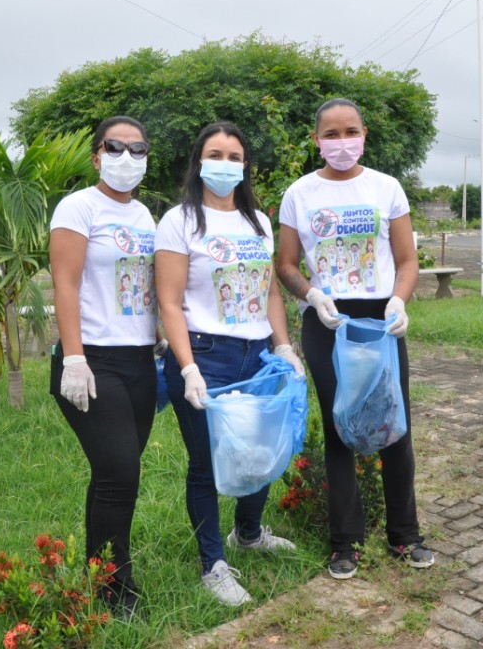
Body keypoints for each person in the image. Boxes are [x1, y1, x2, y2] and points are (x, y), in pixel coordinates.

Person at [276, 98, 434, 580]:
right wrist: (311, 293)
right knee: (340, 425)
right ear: (316, 140)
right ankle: (345, 542)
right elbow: (285, 264)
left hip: (380, 319)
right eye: (331, 134)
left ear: (364, 133)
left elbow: (407, 261)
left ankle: (405, 534)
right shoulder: (298, 194)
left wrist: (400, 300)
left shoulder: (386, 187)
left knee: (393, 420)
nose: (341, 142)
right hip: (328, 320)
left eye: (350, 132)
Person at [155, 122, 304, 606]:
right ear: (199, 160)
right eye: (215, 153)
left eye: (234, 156)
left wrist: (284, 347)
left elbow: (269, 292)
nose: (225, 163)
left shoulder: (258, 222)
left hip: (256, 354)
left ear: (245, 166)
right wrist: (187, 366)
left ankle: (250, 532)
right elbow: (170, 302)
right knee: (205, 465)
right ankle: (212, 564)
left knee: (258, 453)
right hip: (205, 355)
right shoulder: (179, 221)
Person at [49, 115, 162, 617]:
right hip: (92, 360)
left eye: (138, 150)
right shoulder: (78, 207)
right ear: (96, 155)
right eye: (115, 147)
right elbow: (66, 284)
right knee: (120, 472)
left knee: (114, 474)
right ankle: (114, 592)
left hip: (139, 360)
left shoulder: (146, 217)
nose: (126, 158)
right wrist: (74, 357)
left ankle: (100, 573)